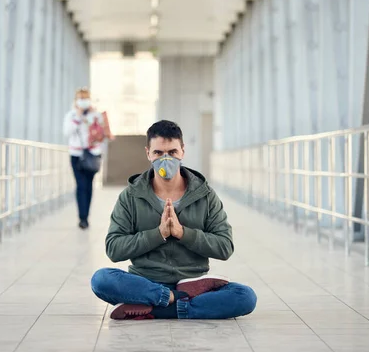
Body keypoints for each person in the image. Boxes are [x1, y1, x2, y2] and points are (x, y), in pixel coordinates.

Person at [90, 120, 257, 320]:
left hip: (194, 281)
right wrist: (158, 234)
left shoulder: (205, 196)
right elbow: (114, 249)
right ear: (148, 153)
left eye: (172, 152)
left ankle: (154, 307)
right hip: (145, 281)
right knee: (101, 280)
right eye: (159, 153)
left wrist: (183, 233)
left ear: (183, 151)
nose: (166, 159)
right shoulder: (131, 196)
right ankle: (176, 299)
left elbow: (225, 247)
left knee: (245, 297)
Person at [63, 88, 104, 229]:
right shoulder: (71, 115)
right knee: (81, 185)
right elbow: (67, 132)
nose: (84, 101)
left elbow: (101, 134)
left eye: (86, 98)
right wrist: (78, 118)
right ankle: (83, 218)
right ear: (76, 100)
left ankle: (86, 215)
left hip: (92, 155)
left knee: (89, 186)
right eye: (81, 98)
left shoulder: (96, 115)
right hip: (77, 155)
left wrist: (94, 118)